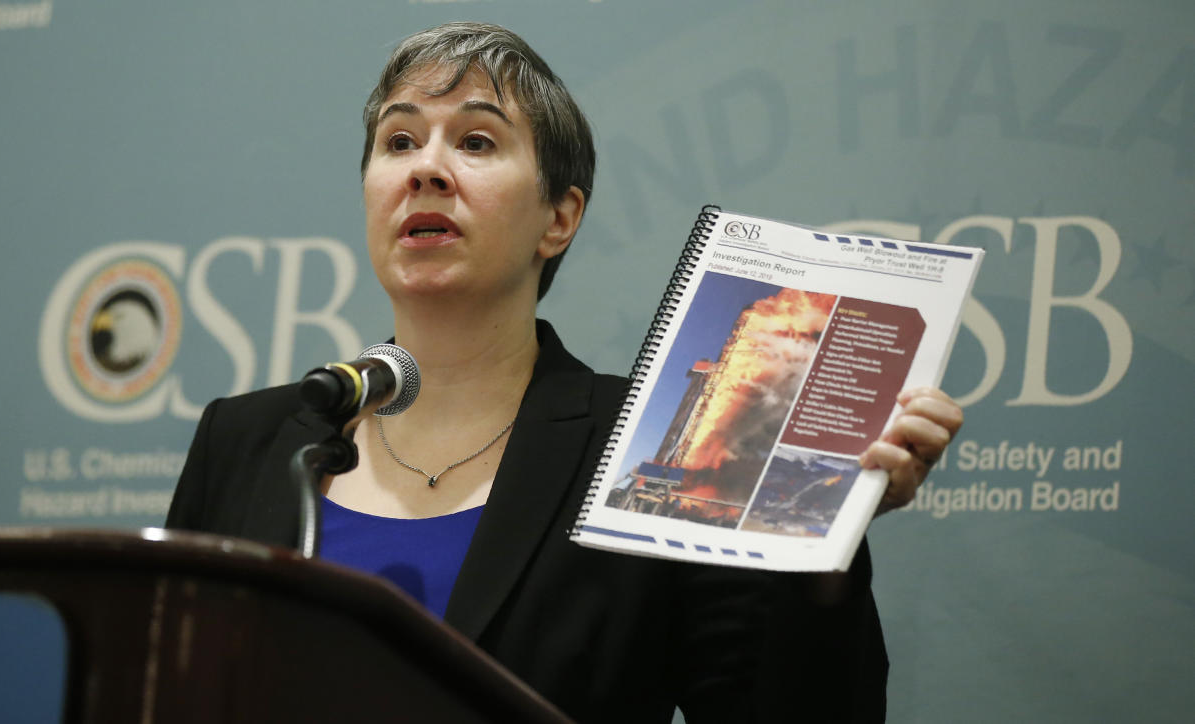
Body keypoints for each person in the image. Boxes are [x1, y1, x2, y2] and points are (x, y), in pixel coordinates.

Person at [166, 21, 963, 723]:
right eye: (399, 141)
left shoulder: (642, 447)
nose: (426, 170)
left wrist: (822, 548)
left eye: (476, 142)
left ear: (560, 217)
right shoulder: (250, 439)